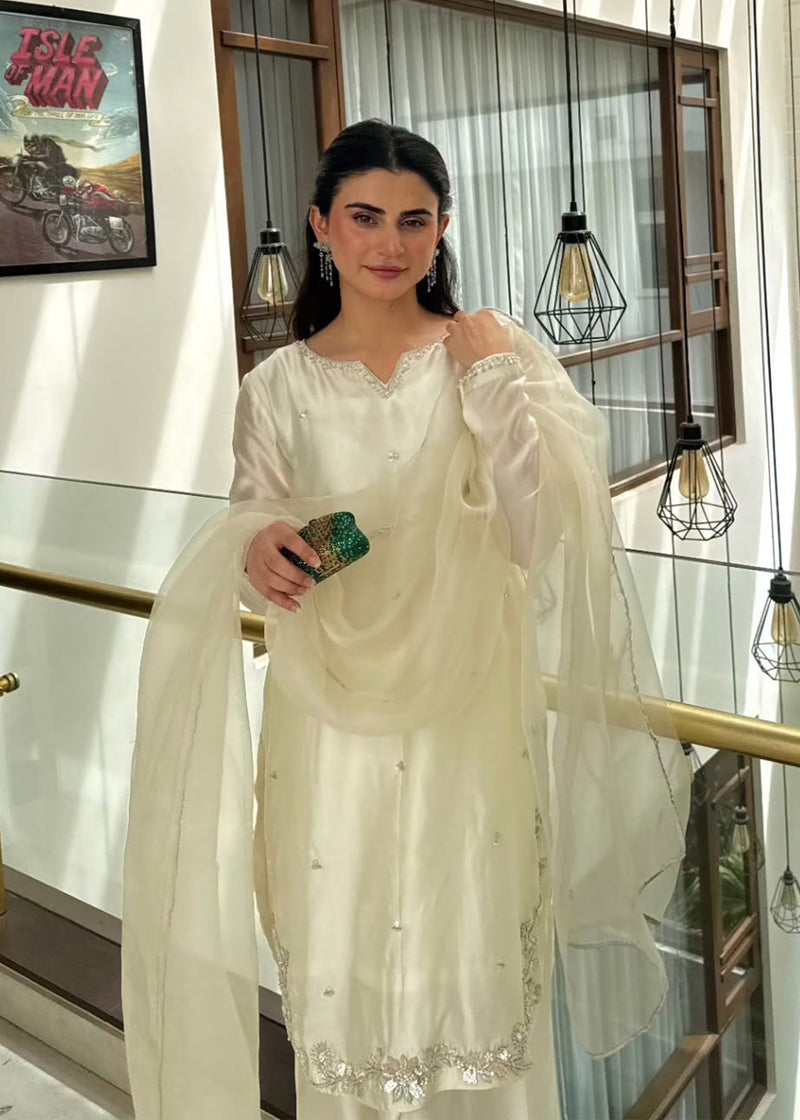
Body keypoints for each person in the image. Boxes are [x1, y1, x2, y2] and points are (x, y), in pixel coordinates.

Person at [121, 119, 691, 1120]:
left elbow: (531, 539)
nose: (388, 243)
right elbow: (256, 540)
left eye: (413, 221)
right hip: (328, 720)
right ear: (320, 226)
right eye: (364, 217)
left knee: (467, 939)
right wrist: (259, 549)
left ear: (441, 230)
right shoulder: (277, 388)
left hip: (467, 713)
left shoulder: (493, 354)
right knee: (348, 945)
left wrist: (489, 385)